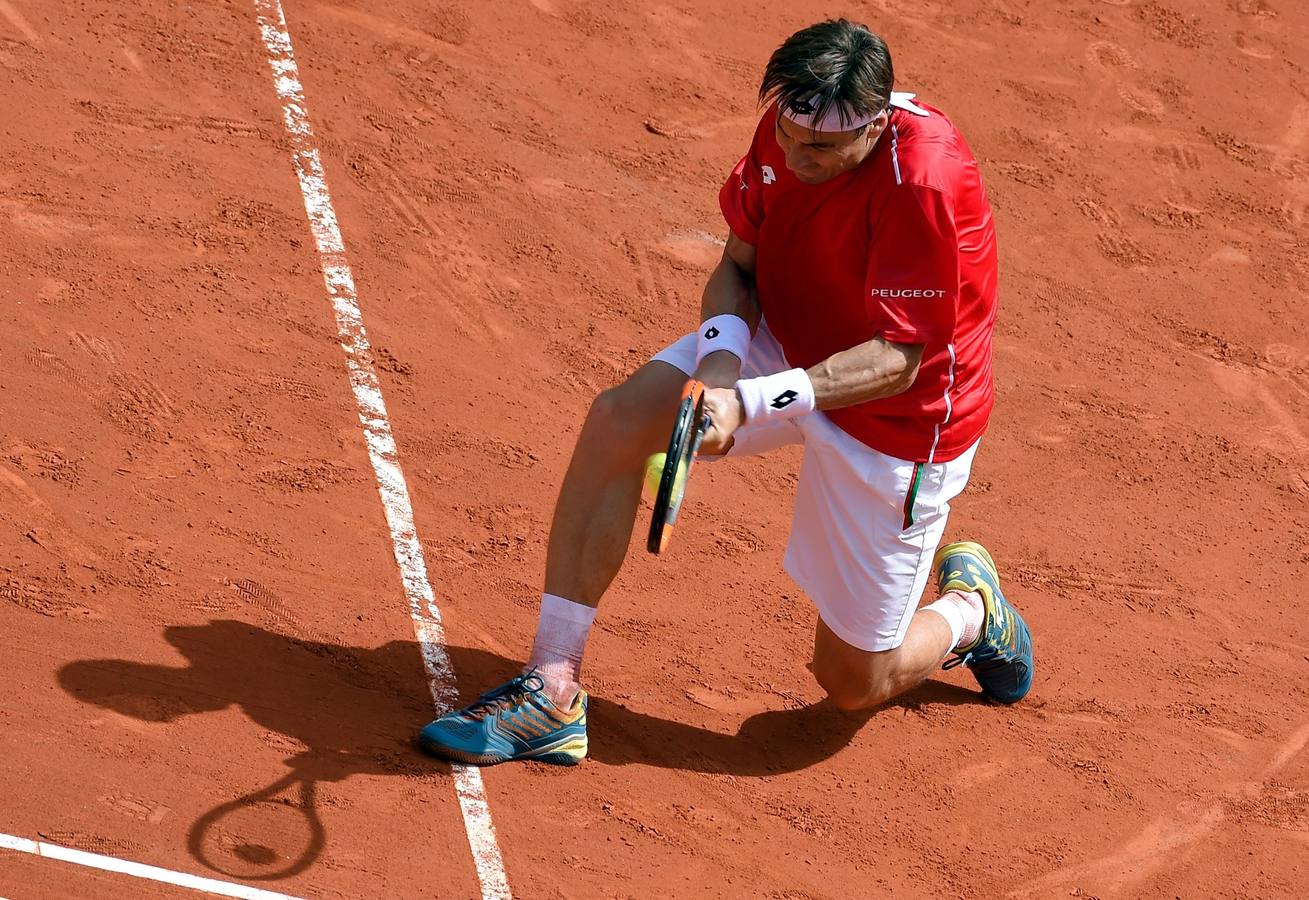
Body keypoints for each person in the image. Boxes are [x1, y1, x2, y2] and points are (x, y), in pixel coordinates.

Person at [418, 18, 1034, 767]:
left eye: (820, 149)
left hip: (897, 415)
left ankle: (971, 612)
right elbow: (739, 265)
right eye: (788, 134)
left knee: (852, 681)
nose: (796, 156)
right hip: (787, 337)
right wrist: (717, 374)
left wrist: (748, 403)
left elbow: (897, 359)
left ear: (873, 128)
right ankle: (551, 689)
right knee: (618, 421)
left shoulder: (924, 182)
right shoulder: (794, 122)